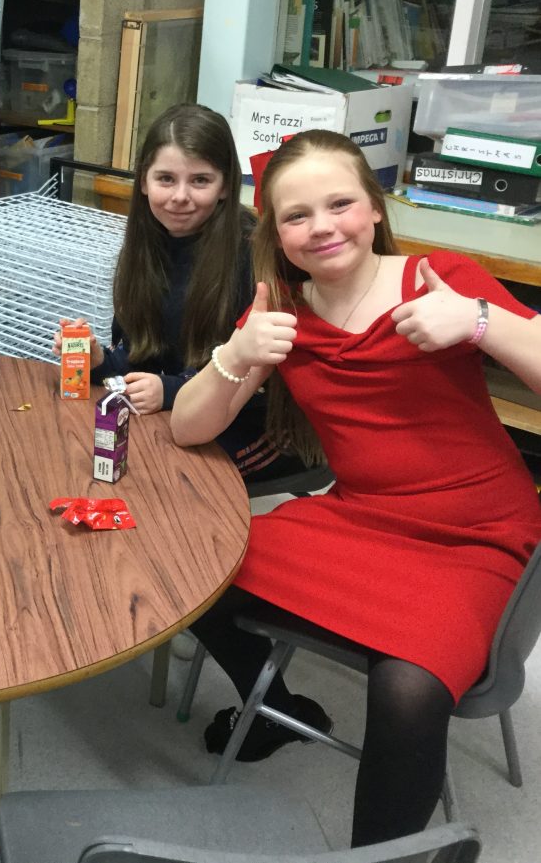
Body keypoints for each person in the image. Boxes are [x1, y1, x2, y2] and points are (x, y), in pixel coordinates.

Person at [169, 129, 541, 847]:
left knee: (408, 687)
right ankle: (277, 708)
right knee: (186, 569)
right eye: (297, 215)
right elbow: (188, 427)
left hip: (478, 534)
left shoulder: (439, 278)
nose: (322, 227)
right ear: (276, 233)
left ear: (374, 207)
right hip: (359, 516)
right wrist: (235, 354)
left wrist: (480, 321)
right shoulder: (280, 308)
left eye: (339, 204)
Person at [53, 103, 309, 483]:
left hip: (252, 425)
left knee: (155, 477)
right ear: (144, 182)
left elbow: (259, 381)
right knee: (80, 453)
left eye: (200, 180)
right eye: (166, 179)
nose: (180, 196)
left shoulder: (254, 254)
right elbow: (142, 356)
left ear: (225, 186)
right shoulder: (143, 247)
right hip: (174, 415)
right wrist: (100, 361)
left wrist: (170, 391)